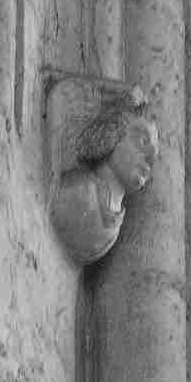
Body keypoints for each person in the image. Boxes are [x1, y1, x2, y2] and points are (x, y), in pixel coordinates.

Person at [52, 97, 159, 266]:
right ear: (114, 134)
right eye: (142, 142)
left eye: (152, 157)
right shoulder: (77, 190)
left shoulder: (114, 226)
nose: (149, 158)